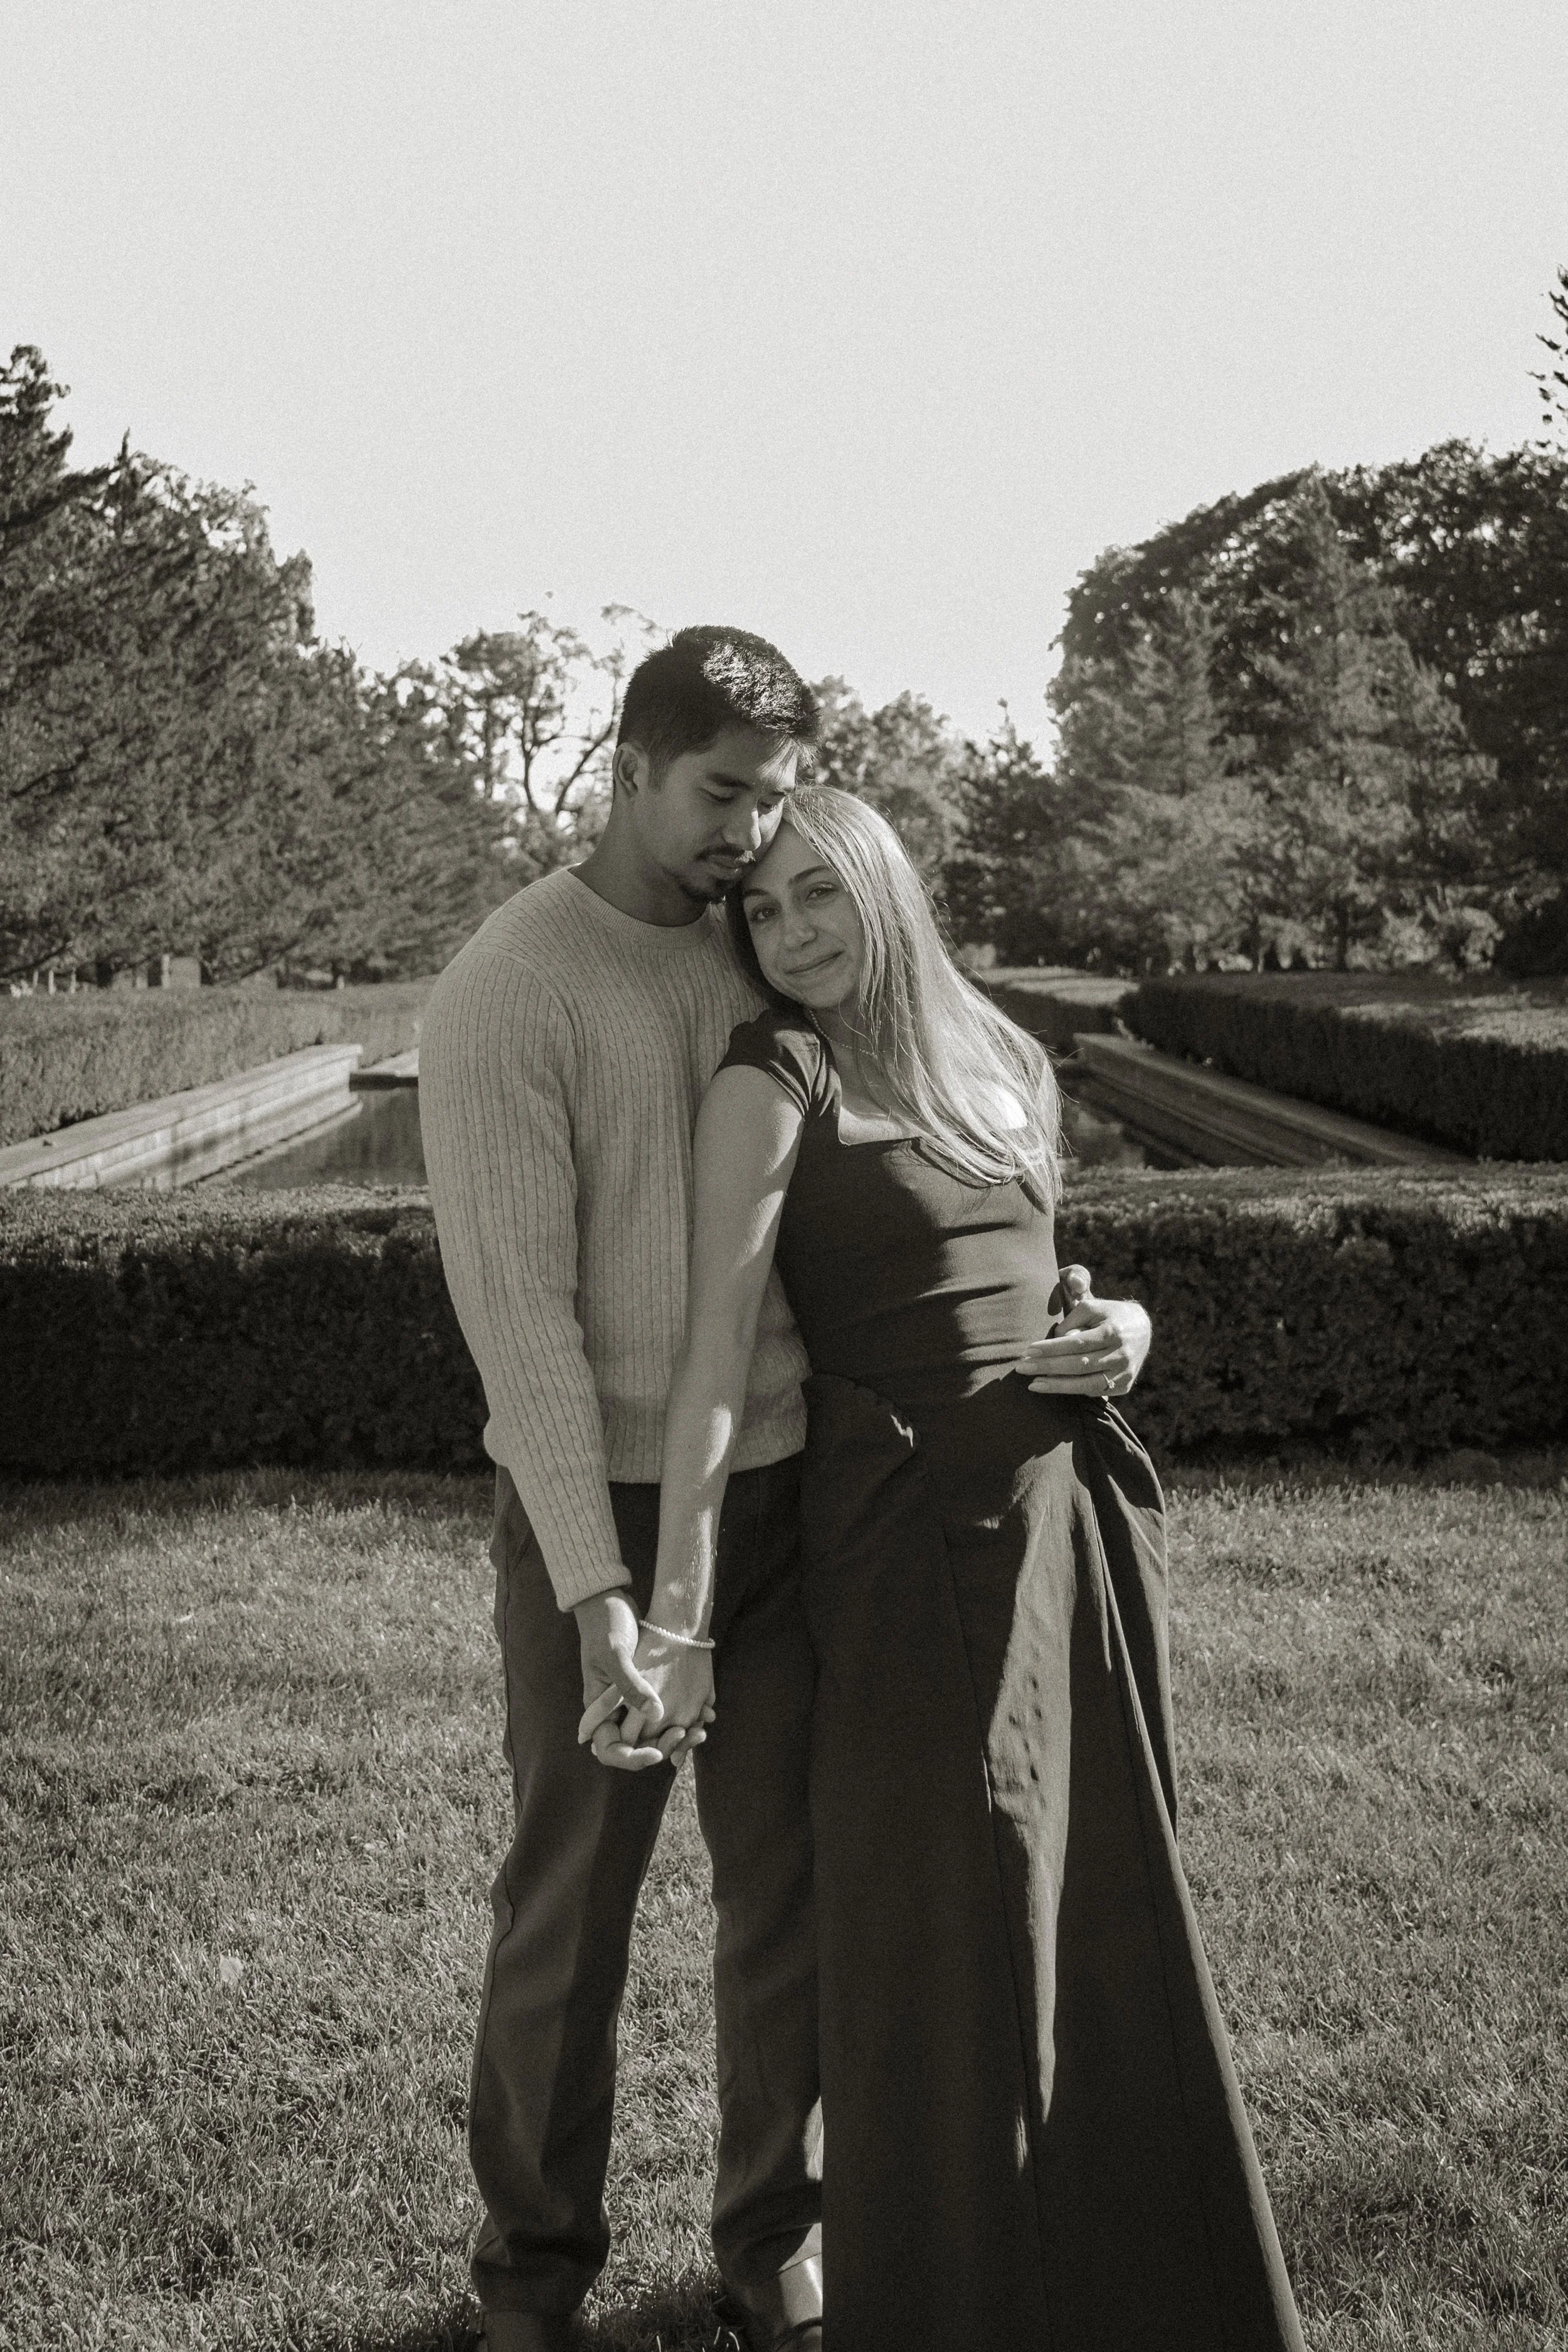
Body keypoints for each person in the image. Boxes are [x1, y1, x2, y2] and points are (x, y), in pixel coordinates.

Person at [420, 627, 1153, 2352]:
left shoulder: (759, 946)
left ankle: (769, 2239)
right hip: (600, 1513)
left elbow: (928, 1165)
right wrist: (603, 1599)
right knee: (570, 1914)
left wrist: (1096, 1308)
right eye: (723, 793)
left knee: (789, 1901)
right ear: (629, 769)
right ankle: (532, 2276)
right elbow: (518, 1324)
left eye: (774, 800)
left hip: (799, 1499)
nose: (751, 835)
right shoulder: (511, 987)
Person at [617, 785, 1306, 2352]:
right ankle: (946, 2295)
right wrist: (680, 1613)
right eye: (761, 911)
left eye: (817, 894)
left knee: (1094, 1900)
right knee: (937, 1923)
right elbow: (712, 1361)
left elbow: (1056, 1274)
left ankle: (1133, 2279)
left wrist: (1127, 1328)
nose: (789, 933)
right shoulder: (772, 1075)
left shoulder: (1004, 1060)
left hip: (1066, 1529)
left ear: (883, 886)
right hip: (907, 1547)